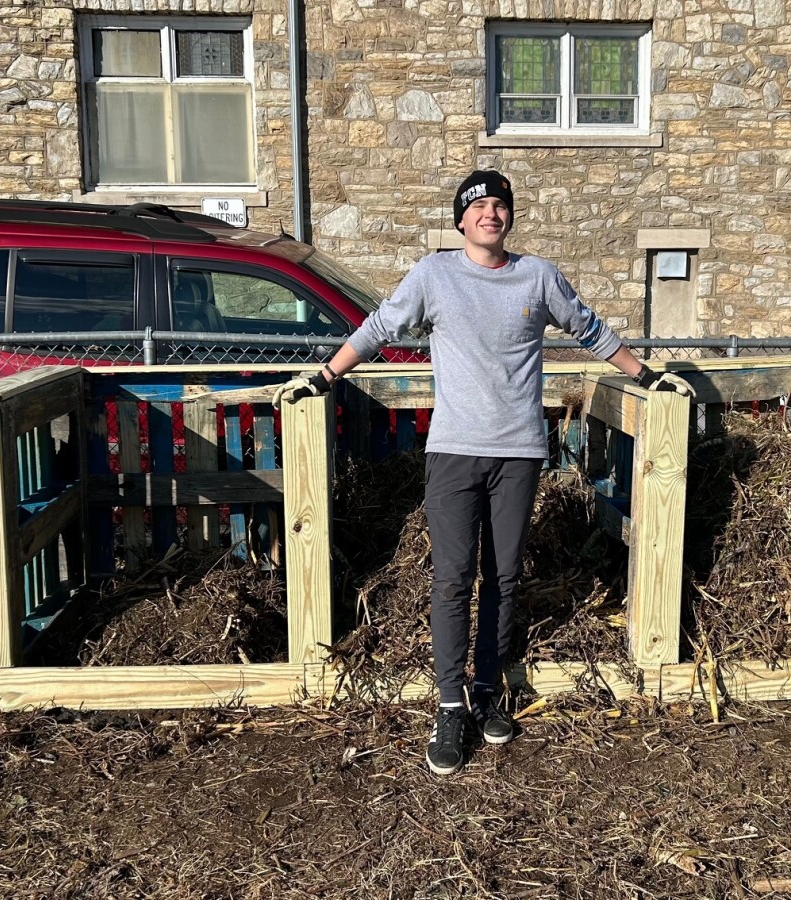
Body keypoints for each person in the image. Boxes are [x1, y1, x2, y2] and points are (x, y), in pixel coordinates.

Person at [275, 170, 694, 775]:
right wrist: (323, 376)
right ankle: (449, 704)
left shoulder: (538, 277)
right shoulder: (434, 276)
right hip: (453, 452)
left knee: (502, 577)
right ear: (461, 220)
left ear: (509, 216)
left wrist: (648, 376)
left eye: (499, 205)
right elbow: (380, 327)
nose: (489, 214)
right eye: (478, 206)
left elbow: (590, 328)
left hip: (518, 453)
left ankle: (487, 691)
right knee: (451, 579)